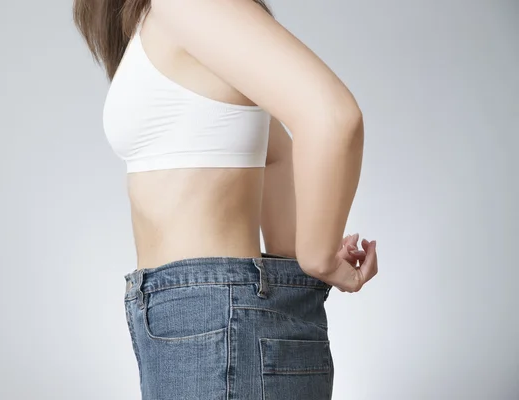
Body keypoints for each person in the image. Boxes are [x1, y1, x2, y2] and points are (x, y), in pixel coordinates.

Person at [73, 0, 378, 398]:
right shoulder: (166, 18)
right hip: (203, 314)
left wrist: (316, 256)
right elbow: (274, 153)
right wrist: (294, 260)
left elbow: (333, 116)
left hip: (214, 313)